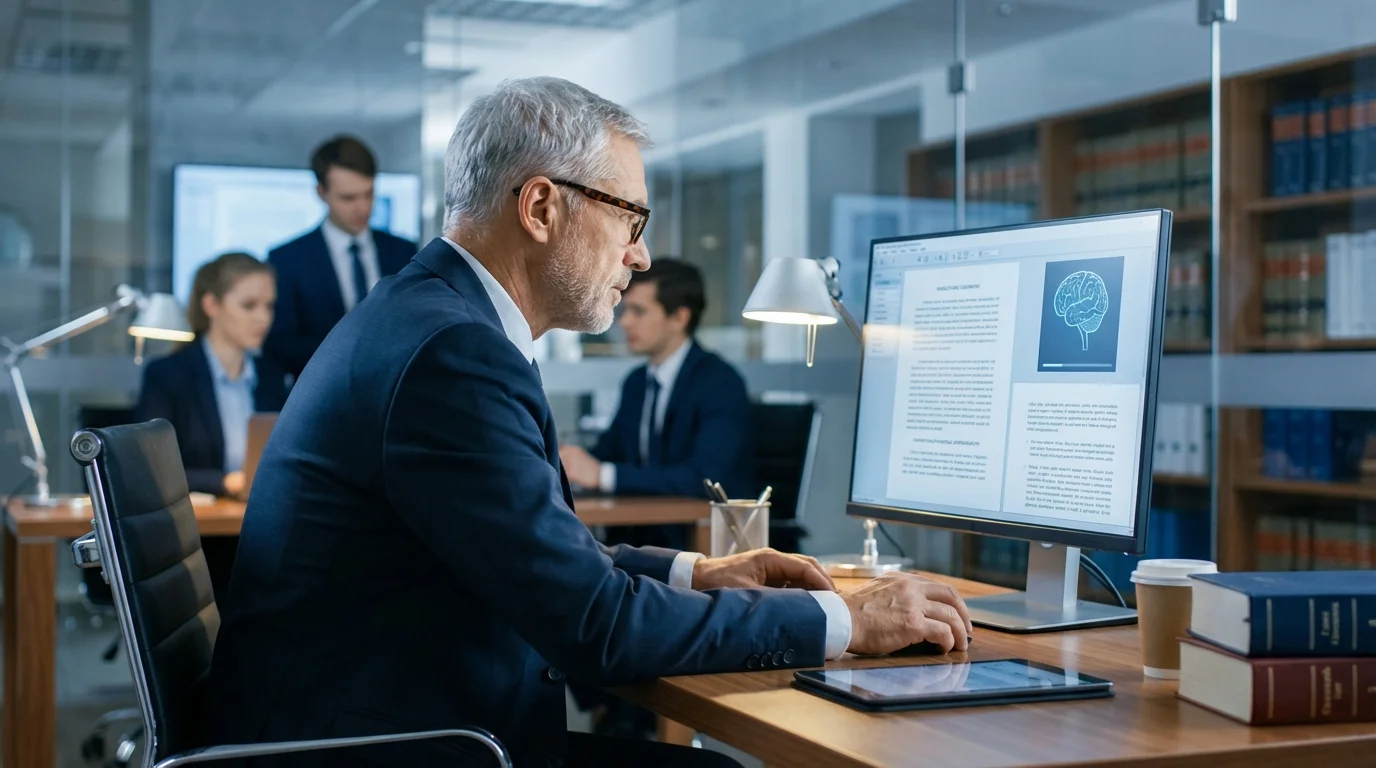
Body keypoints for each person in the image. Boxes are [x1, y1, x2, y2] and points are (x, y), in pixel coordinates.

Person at [207, 77, 972, 768]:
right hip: (391, 746)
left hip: (388, 720)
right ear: (541, 207)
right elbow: (596, 628)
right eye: (630, 217)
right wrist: (843, 620)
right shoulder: (453, 354)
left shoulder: (433, 319)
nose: (640, 256)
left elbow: (540, 554)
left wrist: (693, 570)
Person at [560, 258, 752, 548]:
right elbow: (610, 452)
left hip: (700, 542)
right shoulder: (637, 381)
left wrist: (603, 475)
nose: (624, 321)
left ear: (679, 317)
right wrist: (573, 464)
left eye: (639, 311)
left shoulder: (720, 383)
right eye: (625, 310)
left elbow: (705, 479)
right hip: (637, 542)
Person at [134, 251, 287, 595]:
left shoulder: (272, 377)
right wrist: (227, 482)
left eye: (269, 306)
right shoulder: (168, 376)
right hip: (195, 541)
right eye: (249, 306)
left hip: (259, 529)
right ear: (211, 305)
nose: (263, 318)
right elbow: (152, 469)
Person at [263, 135, 418, 377]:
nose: (363, 207)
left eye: (368, 194)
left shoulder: (404, 252)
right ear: (321, 192)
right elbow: (280, 345)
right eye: (348, 198)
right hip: (321, 398)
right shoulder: (287, 260)